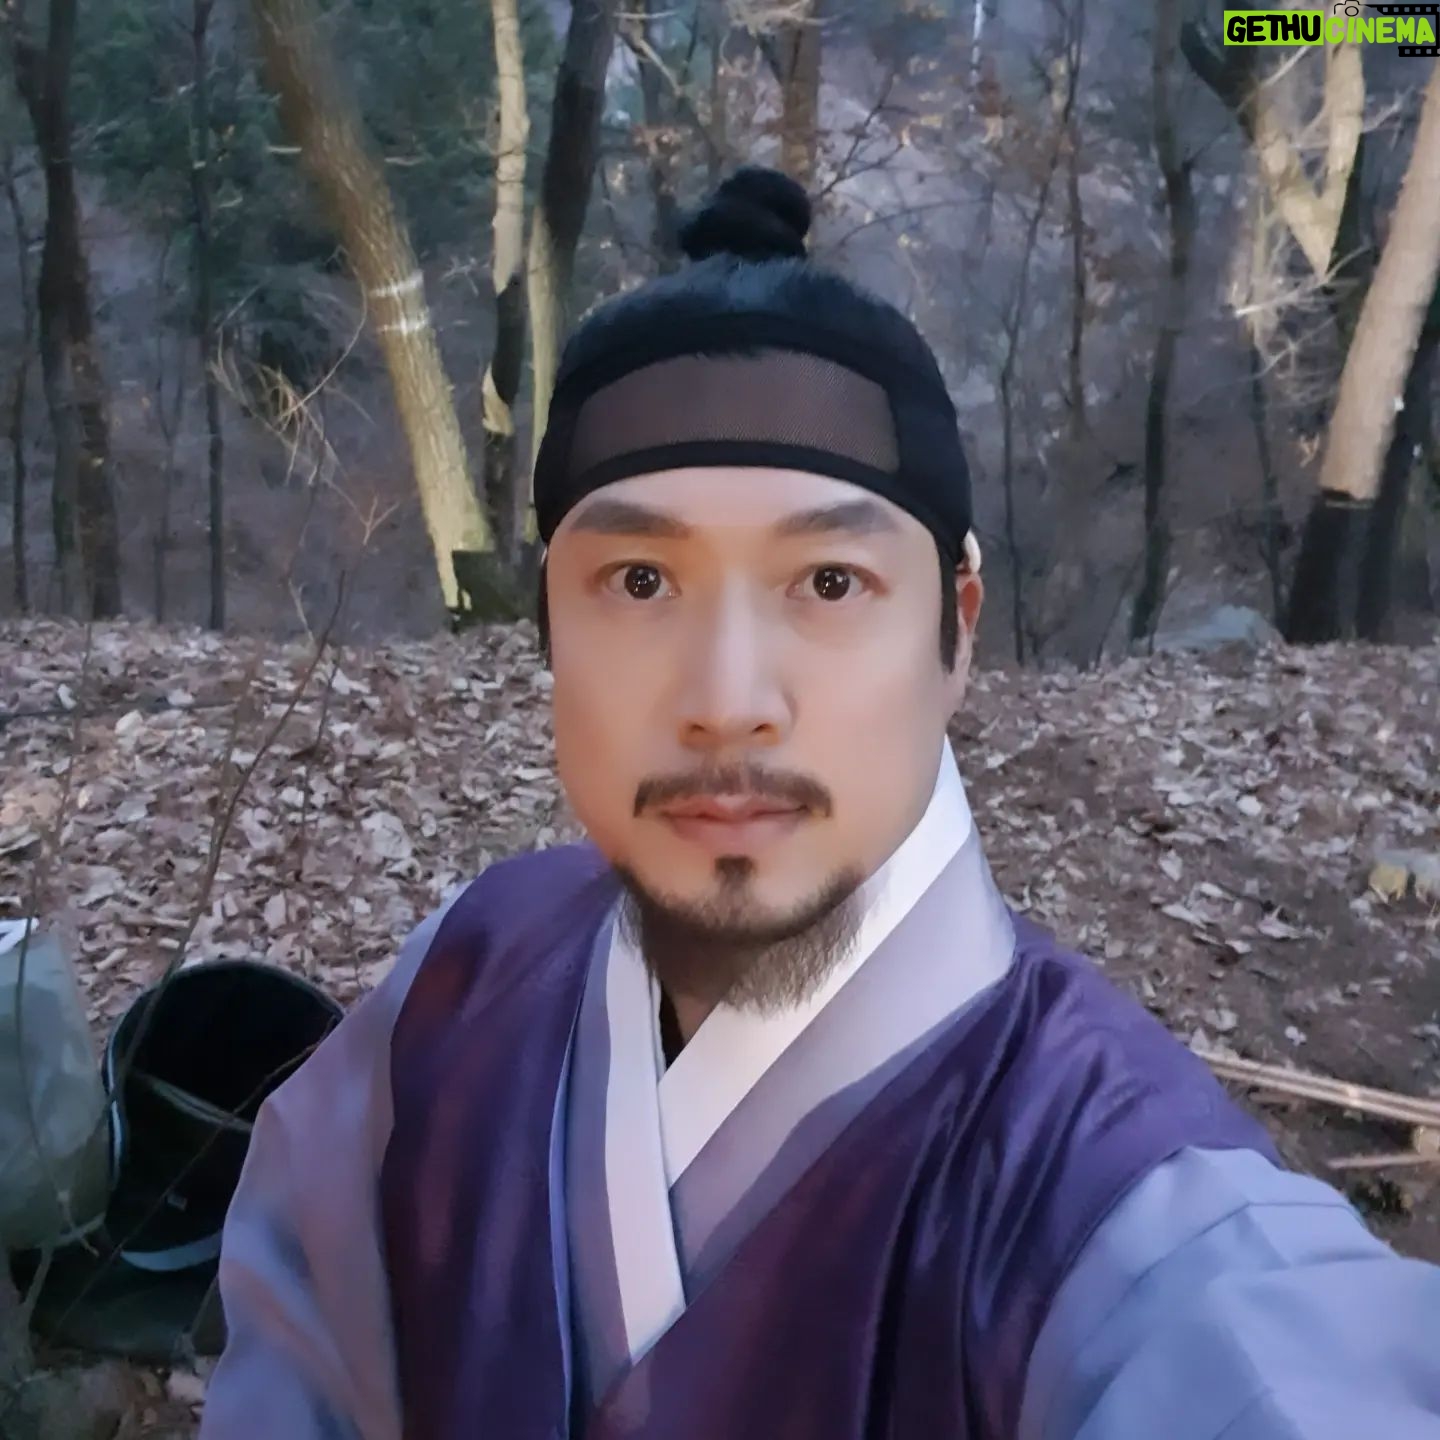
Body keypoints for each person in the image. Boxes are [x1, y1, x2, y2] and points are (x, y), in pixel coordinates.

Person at [198, 167, 1440, 1440]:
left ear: (957, 628)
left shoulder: (1114, 1206)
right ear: (550, 632)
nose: (728, 700)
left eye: (830, 584)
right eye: (639, 582)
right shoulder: (462, 983)